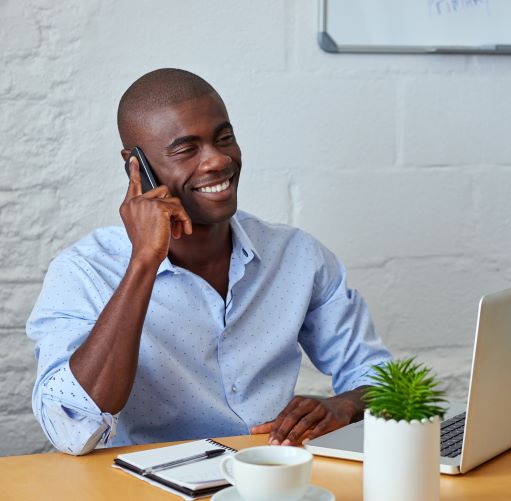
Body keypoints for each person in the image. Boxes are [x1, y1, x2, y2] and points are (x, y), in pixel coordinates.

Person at [26, 68, 391, 455]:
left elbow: (386, 383)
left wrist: (345, 406)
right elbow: (71, 432)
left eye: (224, 138)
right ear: (136, 165)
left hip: (269, 478)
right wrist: (144, 263)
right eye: (187, 149)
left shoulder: (298, 256)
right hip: (145, 486)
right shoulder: (83, 272)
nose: (217, 161)